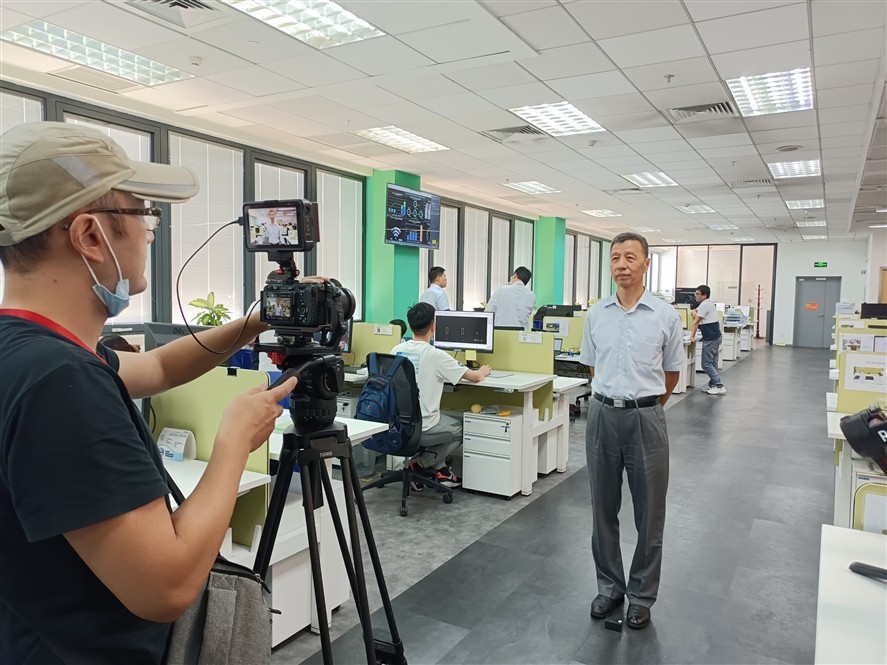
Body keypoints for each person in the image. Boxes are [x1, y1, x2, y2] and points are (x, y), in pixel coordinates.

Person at [0, 121, 299, 663]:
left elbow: (157, 367)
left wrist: (253, 322)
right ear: (90, 236)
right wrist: (234, 442)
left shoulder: (30, 352)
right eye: (142, 213)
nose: (151, 231)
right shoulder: (60, 384)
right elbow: (166, 588)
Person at [579, 232, 684, 631]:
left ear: (645, 264)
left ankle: (641, 595)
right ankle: (610, 588)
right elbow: (593, 368)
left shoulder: (664, 315)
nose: (621, 264)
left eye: (630, 257)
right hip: (602, 415)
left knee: (649, 514)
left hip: (646, 419)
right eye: (615, 258)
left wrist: (644, 406)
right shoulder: (596, 314)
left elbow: (671, 375)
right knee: (602, 510)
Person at [391, 302, 490, 489]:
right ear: (433, 326)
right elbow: (475, 377)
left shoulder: (396, 350)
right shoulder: (436, 355)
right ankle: (420, 463)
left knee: (442, 419)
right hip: (426, 423)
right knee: (461, 428)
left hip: (399, 423)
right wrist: (484, 370)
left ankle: (441, 471)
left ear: (410, 326)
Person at [691, 285, 726, 395]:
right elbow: (697, 315)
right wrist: (695, 312)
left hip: (711, 339)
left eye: (697, 294)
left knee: (706, 364)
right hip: (715, 336)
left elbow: (696, 322)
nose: (695, 296)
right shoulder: (707, 304)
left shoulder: (705, 305)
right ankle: (713, 384)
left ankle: (719, 385)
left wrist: (692, 337)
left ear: (704, 295)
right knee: (713, 363)